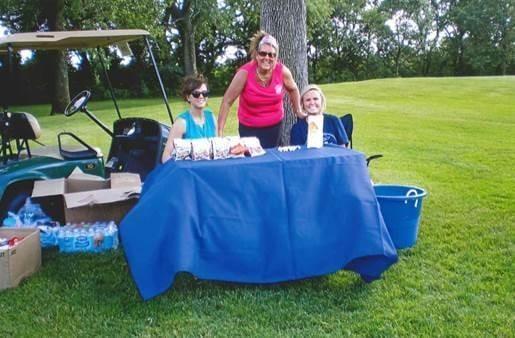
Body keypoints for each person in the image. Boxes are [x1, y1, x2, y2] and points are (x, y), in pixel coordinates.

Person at [217, 31, 306, 148]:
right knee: (252, 162)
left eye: (271, 55)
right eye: (263, 53)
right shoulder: (244, 73)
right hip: (249, 129)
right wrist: (219, 132)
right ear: (256, 55)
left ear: (276, 57)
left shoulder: (282, 71)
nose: (267, 58)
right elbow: (227, 101)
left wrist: (298, 110)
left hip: (275, 128)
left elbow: (293, 89)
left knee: (272, 160)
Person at [162, 75, 216, 163]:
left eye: (205, 93)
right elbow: (166, 156)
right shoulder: (181, 123)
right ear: (188, 97)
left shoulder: (211, 117)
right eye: (196, 94)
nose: (201, 96)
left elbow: (217, 148)